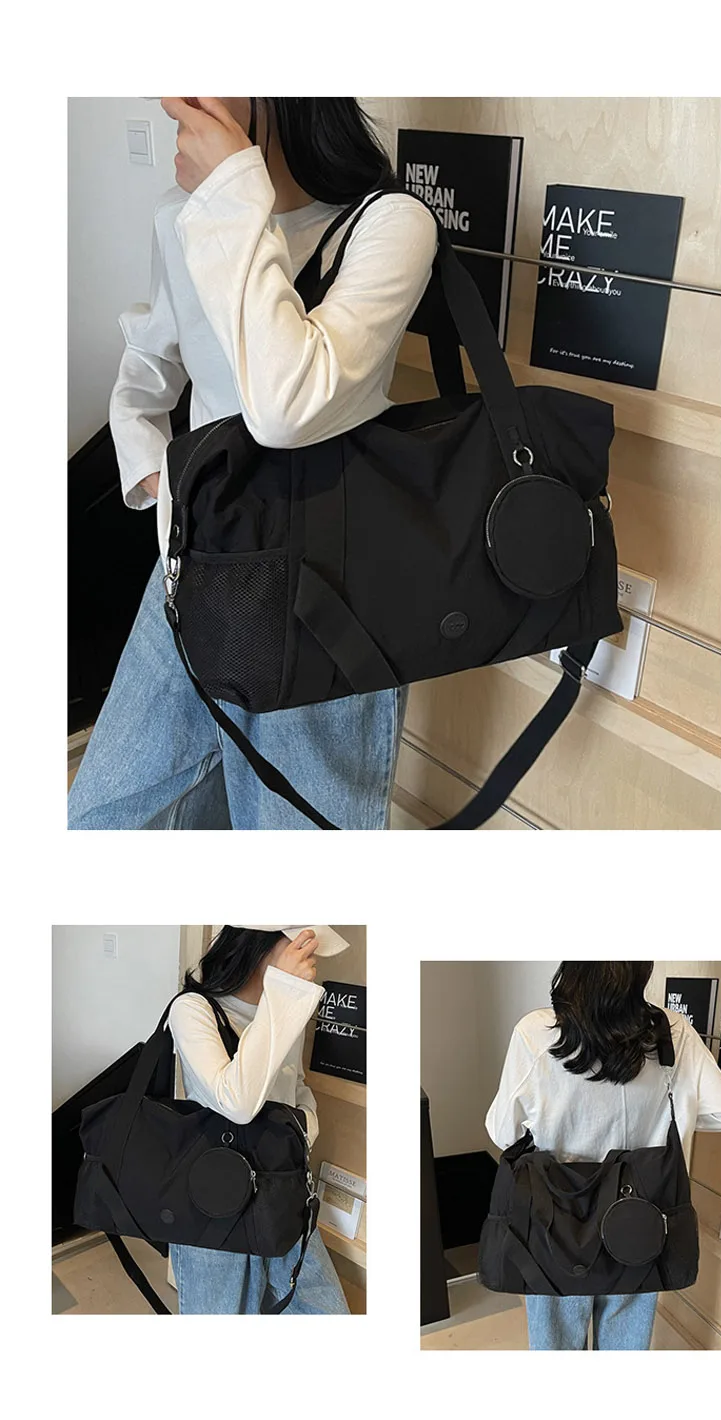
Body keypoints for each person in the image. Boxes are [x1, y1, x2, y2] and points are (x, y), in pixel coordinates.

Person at [68, 97, 438, 829]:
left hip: (325, 605)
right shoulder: (184, 216)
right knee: (99, 823)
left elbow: (286, 407)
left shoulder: (390, 226)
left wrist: (235, 190)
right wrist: (160, 482)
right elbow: (148, 365)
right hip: (191, 576)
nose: (170, 95)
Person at [485, 962, 721, 1351]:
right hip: (640, 1215)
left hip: (554, 1218)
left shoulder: (536, 1032)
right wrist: (673, 1120)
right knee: (626, 1346)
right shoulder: (673, 1032)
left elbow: (503, 1132)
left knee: (555, 1346)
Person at [168, 924, 350, 1315]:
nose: (310, 960)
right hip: (214, 1208)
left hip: (283, 1194)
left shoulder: (286, 1011)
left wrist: (304, 1129)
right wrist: (282, 995)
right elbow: (236, 1102)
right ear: (260, 943)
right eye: (302, 946)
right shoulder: (193, 1010)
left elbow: (296, 1086)